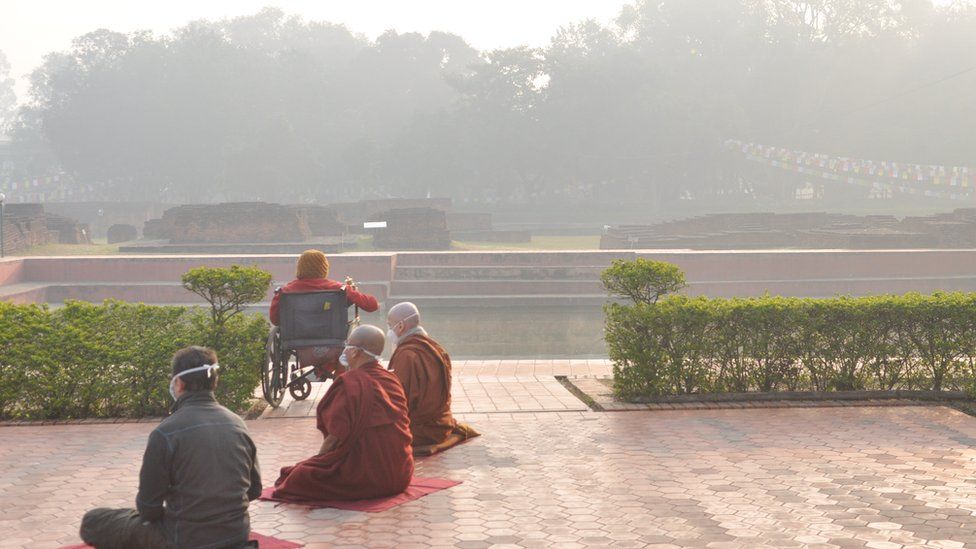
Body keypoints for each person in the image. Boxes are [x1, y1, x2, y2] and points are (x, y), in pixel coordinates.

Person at [80, 346, 262, 549]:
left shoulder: (165, 433)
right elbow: (254, 489)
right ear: (214, 382)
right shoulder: (237, 423)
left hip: (183, 539)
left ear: (179, 383)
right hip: (236, 536)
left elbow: (148, 508)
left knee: (95, 520)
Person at [272, 325, 414, 501]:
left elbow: (334, 438)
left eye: (348, 345)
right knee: (300, 470)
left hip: (368, 478)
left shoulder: (349, 383)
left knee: (298, 476)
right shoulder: (391, 379)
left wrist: (318, 461)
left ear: (355, 353)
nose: (344, 350)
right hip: (401, 473)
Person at [269, 249, 379, 378]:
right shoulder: (337, 288)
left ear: (299, 267)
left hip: (296, 342)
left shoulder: (285, 291)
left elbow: (275, 319)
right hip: (333, 341)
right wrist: (354, 292)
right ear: (324, 268)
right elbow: (372, 305)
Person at [386, 302, 480, 449]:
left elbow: (399, 401)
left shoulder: (407, 355)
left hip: (420, 431)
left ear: (400, 326)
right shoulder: (434, 347)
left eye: (389, 324)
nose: (389, 330)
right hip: (443, 424)